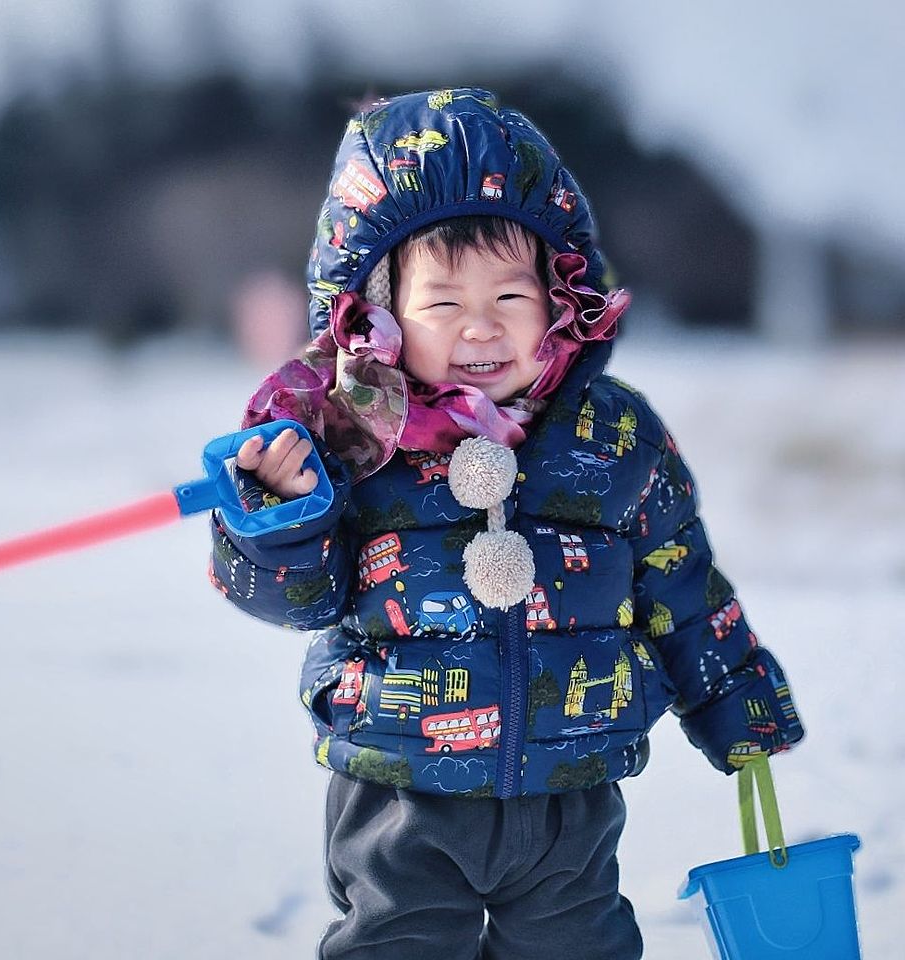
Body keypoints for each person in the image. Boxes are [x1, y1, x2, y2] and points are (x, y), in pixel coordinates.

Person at [207, 88, 804, 960]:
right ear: (376, 313)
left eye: (511, 295)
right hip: (402, 786)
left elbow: (682, 581)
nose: (481, 327)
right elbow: (298, 598)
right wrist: (277, 515)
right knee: (399, 945)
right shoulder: (349, 437)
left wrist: (734, 700)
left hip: (571, 793)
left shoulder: (614, 438)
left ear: (560, 295)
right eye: (443, 303)